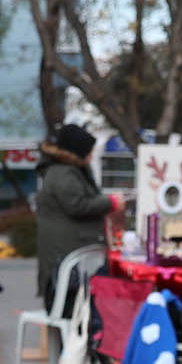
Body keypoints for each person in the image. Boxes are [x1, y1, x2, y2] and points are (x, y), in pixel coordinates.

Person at [32, 121, 115, 306]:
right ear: (77, 151)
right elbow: (77, 205)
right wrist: (110, 202)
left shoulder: (68, 171)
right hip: (66, 264)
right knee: (74, 309)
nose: (92, 155)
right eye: (89, 151)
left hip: (67, 258)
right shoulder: (63, 174)